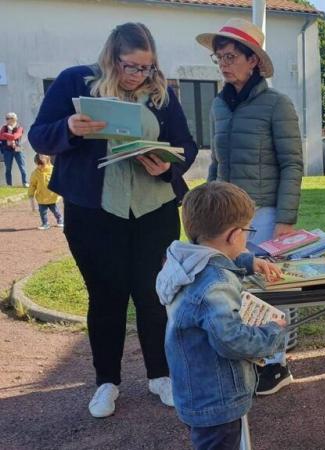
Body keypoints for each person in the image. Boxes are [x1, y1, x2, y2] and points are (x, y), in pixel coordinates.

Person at [28, 23, 198, 417]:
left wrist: (165, 167)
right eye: (131, 67)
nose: (139, 76)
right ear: (112, 58)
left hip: (153, 210)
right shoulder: (76, 81)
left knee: (155, 297)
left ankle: (161, 375)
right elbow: (39, 136)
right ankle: (107, 382)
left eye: (147, 68)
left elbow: (186, 146)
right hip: (94, 212)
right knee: (106, 298)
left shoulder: (162, 94)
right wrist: (68, 129)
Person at [198, 17, 303, 395]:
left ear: (253, 60)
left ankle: (278, 363)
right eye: (219, 57)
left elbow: (293, 162)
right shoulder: (218, 106)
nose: (224, 64)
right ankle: (253, 357)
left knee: (269, 287)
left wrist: (286, 220)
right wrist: (206, 211)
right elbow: (217, 163)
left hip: (267, 211)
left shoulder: (277, 104)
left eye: (230, 56)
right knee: (236, 287)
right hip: (226, 217)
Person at [156, 181, 286, 450]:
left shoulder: (183, 260)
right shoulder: (216, 285)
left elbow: (212, 257)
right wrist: (271, 332)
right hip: (218, 398)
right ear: (234, 235)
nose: (248, 238)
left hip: (195, 389)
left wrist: (249, 261)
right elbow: (231, 340)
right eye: (247, 232)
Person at [28, 154, 63, 230]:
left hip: (52, 197)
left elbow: (59, 181)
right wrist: (31, 195)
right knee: (42, 212)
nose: (40, 166)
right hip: (41, 198)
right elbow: (32, 185)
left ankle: (60, 221)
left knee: (56, 211)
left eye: (42, 164)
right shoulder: (35, 173)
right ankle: (45, 223)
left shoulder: (53, 170)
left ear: (47, 162)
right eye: (38, 164)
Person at [0, 112, 28, 187]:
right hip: (7, 150)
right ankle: (9, 184)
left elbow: (15, 136)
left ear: (14, 119)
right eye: (7, 118)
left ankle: (25, 183)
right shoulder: (4, 127)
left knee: (22, 167)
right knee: (8, 168)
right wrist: (9, 136)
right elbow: (1, 136)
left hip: (17, 149)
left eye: (9, 118)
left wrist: (7, 135)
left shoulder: (19, 127)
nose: (7, 120)